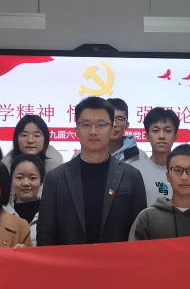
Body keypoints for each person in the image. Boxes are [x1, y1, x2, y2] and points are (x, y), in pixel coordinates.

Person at [37, 97, 148, 245]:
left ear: (111, 129)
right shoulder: (55, 178)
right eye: (86, 125)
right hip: (69, 260)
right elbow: (46, 237)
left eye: (101, 125)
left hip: (116, 259)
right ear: (76, 130)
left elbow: (139, 236)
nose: (93, 131)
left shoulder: (132, 176)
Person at [129, 107, 189, 203]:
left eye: (167, 131)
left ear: (176, 136)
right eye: (155, 130)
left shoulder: (187, 173)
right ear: (147, 136)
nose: (161, 136)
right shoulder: (133, 170)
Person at [5, 154, 45, 246]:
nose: (26, 183)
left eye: (32, 178)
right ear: (11, 180)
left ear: (41, 181)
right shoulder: (2, 211)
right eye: (19, 177)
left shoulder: (49, 212)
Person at [107, 98, 146, 163]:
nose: (114, 124)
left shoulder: (140, 157)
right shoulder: (90, 154)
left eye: (120, 119)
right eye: (110, 118)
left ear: (127, 125)